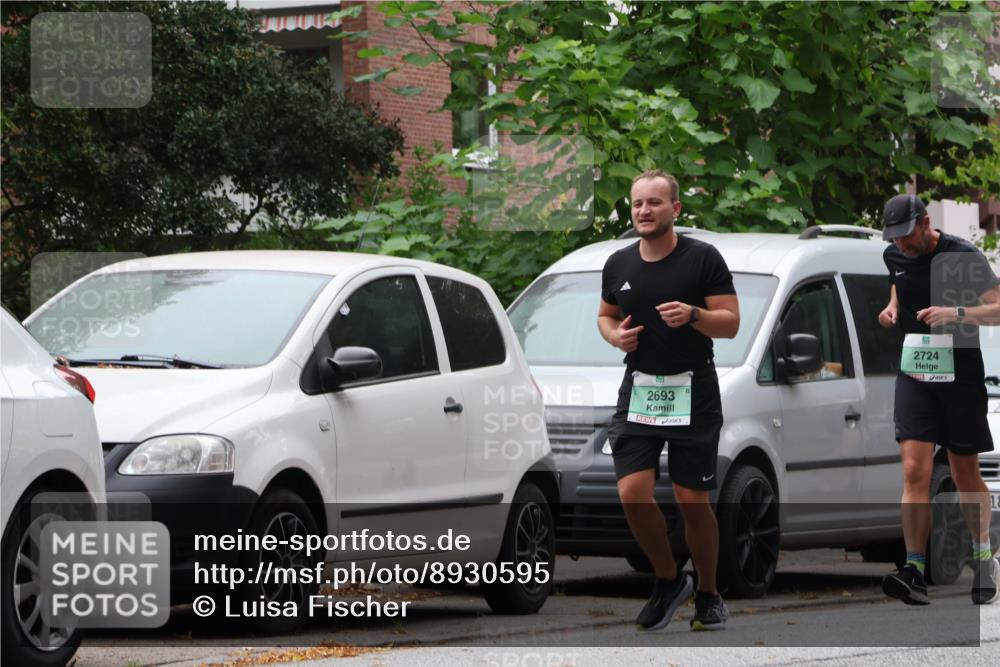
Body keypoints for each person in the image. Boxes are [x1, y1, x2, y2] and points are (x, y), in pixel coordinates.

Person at [598, 170, 740, 631]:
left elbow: (731, 322)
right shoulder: (618, 264)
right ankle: (668, 579)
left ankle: (709, 593)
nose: (644, 211)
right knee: (631, 491)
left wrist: (694, 313)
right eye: (638, 203)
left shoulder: (702, 258)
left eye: (654, 202)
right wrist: (615, 337)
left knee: (691, 499)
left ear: (675, 209)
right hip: (640, 387)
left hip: (693, 388)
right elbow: (605, 316)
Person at [877, 193, 1000, 606]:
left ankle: (982, 558)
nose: (900, 243)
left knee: (965, 474)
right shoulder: (894, 255)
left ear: (925, 222)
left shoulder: (962, 257)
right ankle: (913, 569)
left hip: (960, 376)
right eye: (893, 237)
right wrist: (892, 308)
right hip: (916, 372)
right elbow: (900, 285)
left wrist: (956, 313)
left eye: (906, 235)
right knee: (914, 469)